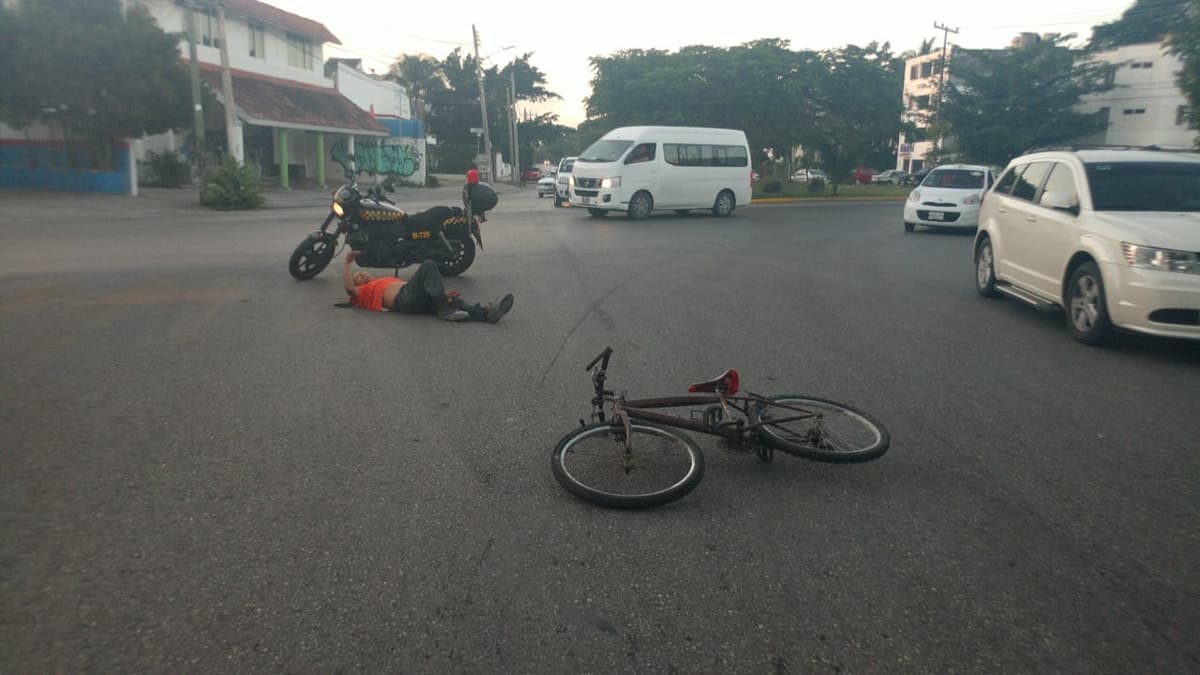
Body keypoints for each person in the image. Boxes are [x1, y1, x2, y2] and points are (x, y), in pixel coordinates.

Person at [341, 251, 513, 323]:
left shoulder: (382, 281)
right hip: (404, 300)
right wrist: (347, 263)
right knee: (428, 265)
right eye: (357, 277)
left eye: (361, 272)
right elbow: (349, 288)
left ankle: (486, 314)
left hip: (415, 299)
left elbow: (422, 288)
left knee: (455, 300)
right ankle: (444, 308)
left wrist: (442, 294)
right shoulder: (363, 292)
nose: (361, 274)